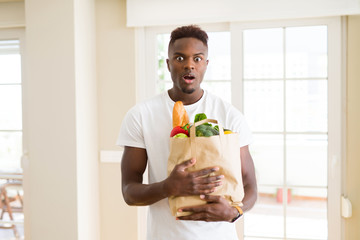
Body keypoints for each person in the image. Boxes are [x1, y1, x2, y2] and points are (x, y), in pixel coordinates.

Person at [117, 25, 257, 240]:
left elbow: (250, 184)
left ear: (206, 65)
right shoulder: (141, 115)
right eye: (180, 58)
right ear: (168, 64)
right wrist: (168, 187)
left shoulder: (230, 115)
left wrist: (234, 212)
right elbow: (129, 192)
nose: (189, 65)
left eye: (197, 59)